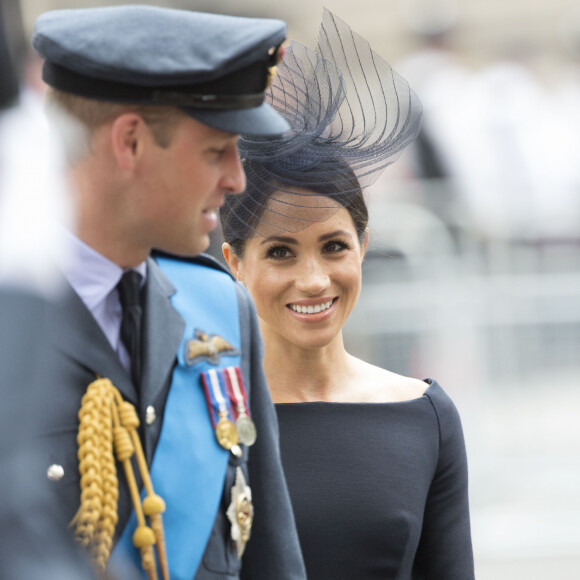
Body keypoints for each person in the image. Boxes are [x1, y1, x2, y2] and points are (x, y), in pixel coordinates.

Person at [30, 5, 305, 580]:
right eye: (215, 151)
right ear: (129, 142)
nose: (237, 178)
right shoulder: (16, 315)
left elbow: (269, 556)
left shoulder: (221, 309)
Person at [220, 10, 475, 580]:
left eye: (333, 247)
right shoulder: (206, 414)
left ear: (363, 246)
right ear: (235, 261)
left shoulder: (424, 415)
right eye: (280, 252)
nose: (313, 280)